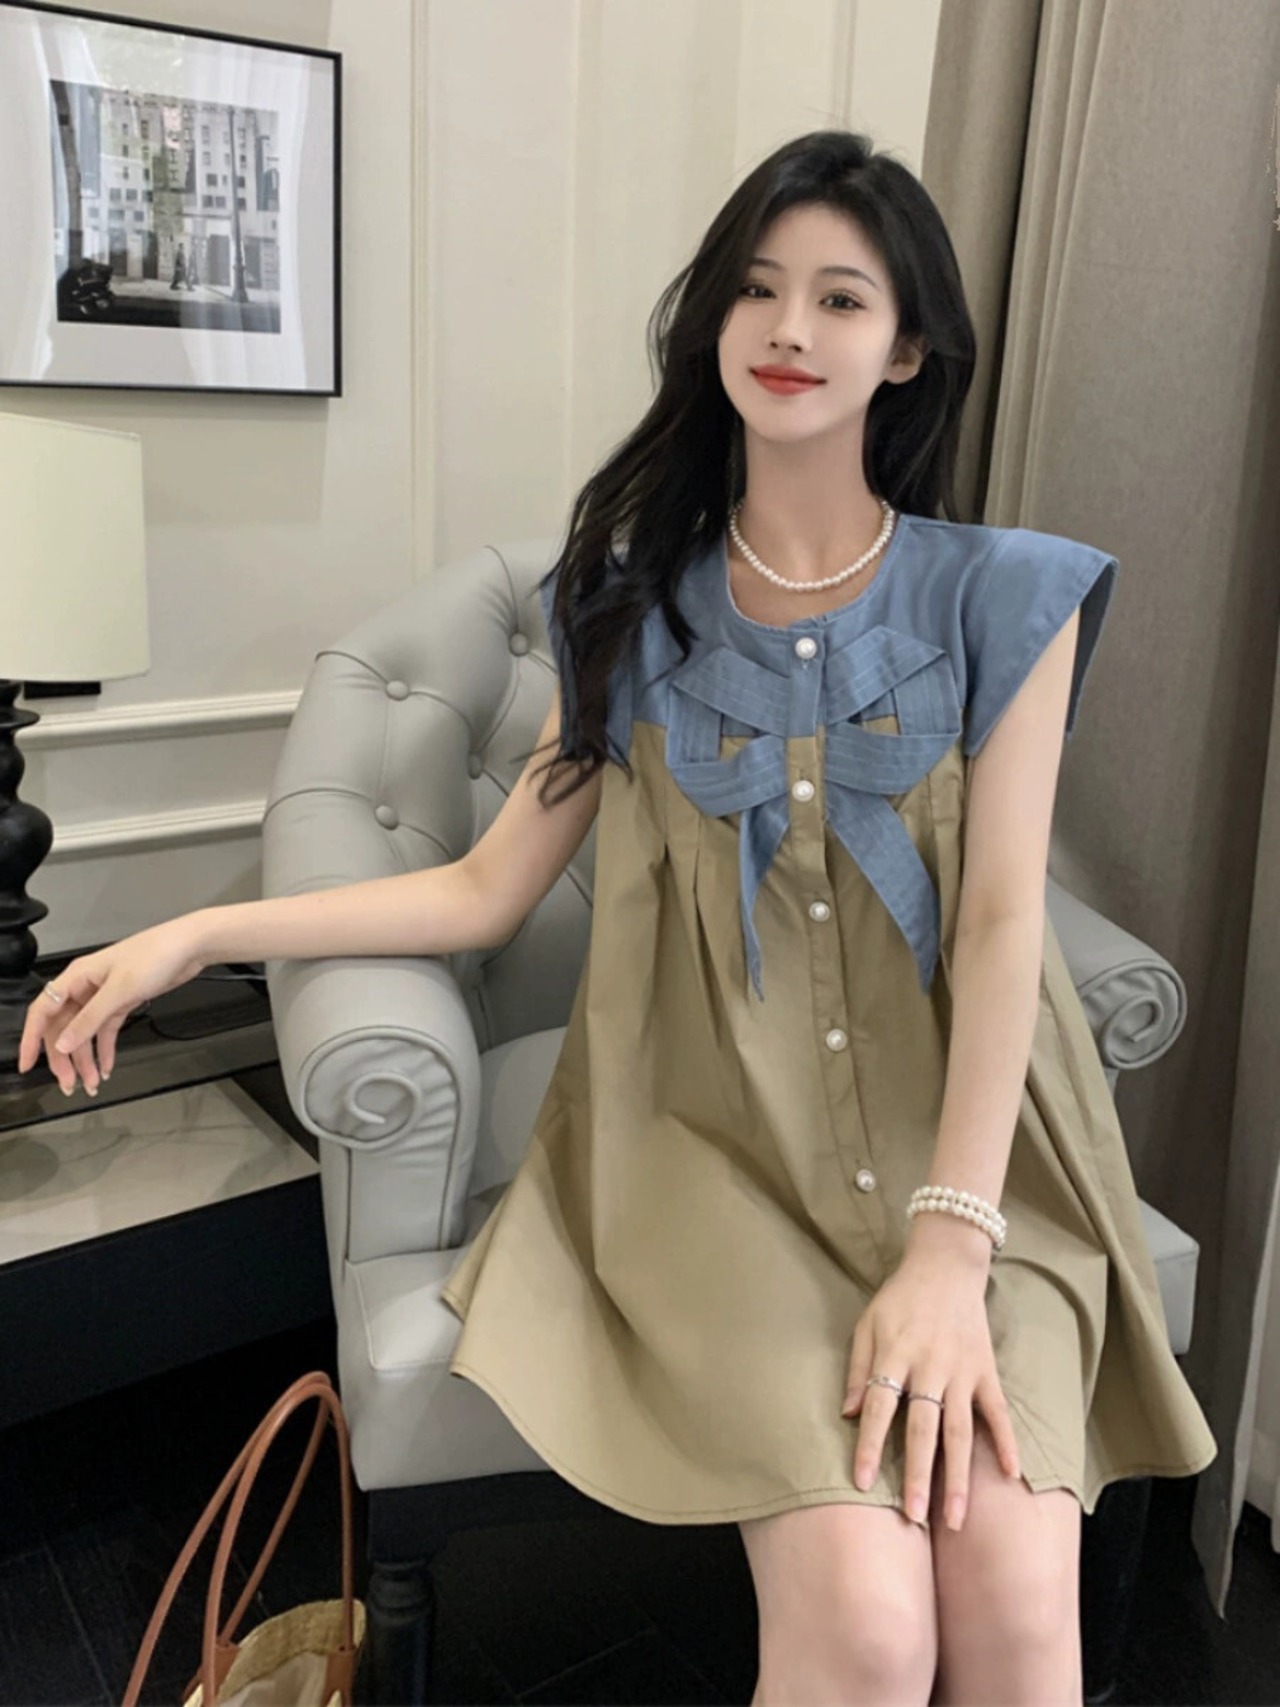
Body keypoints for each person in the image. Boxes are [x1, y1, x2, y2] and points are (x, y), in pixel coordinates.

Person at [18, 129, 1216, 1705]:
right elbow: (483, 888)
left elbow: (1000, 927)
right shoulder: (626, 611)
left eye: (841, 298)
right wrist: (193, 934)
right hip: (720, 1174)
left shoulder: (1008, 596)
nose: (790, 329)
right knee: (867, 1631)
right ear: (712, 319)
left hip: (982, 1184)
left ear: (907, 347)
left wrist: (949, 1247)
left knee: (1014, 1610)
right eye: (758, 290)